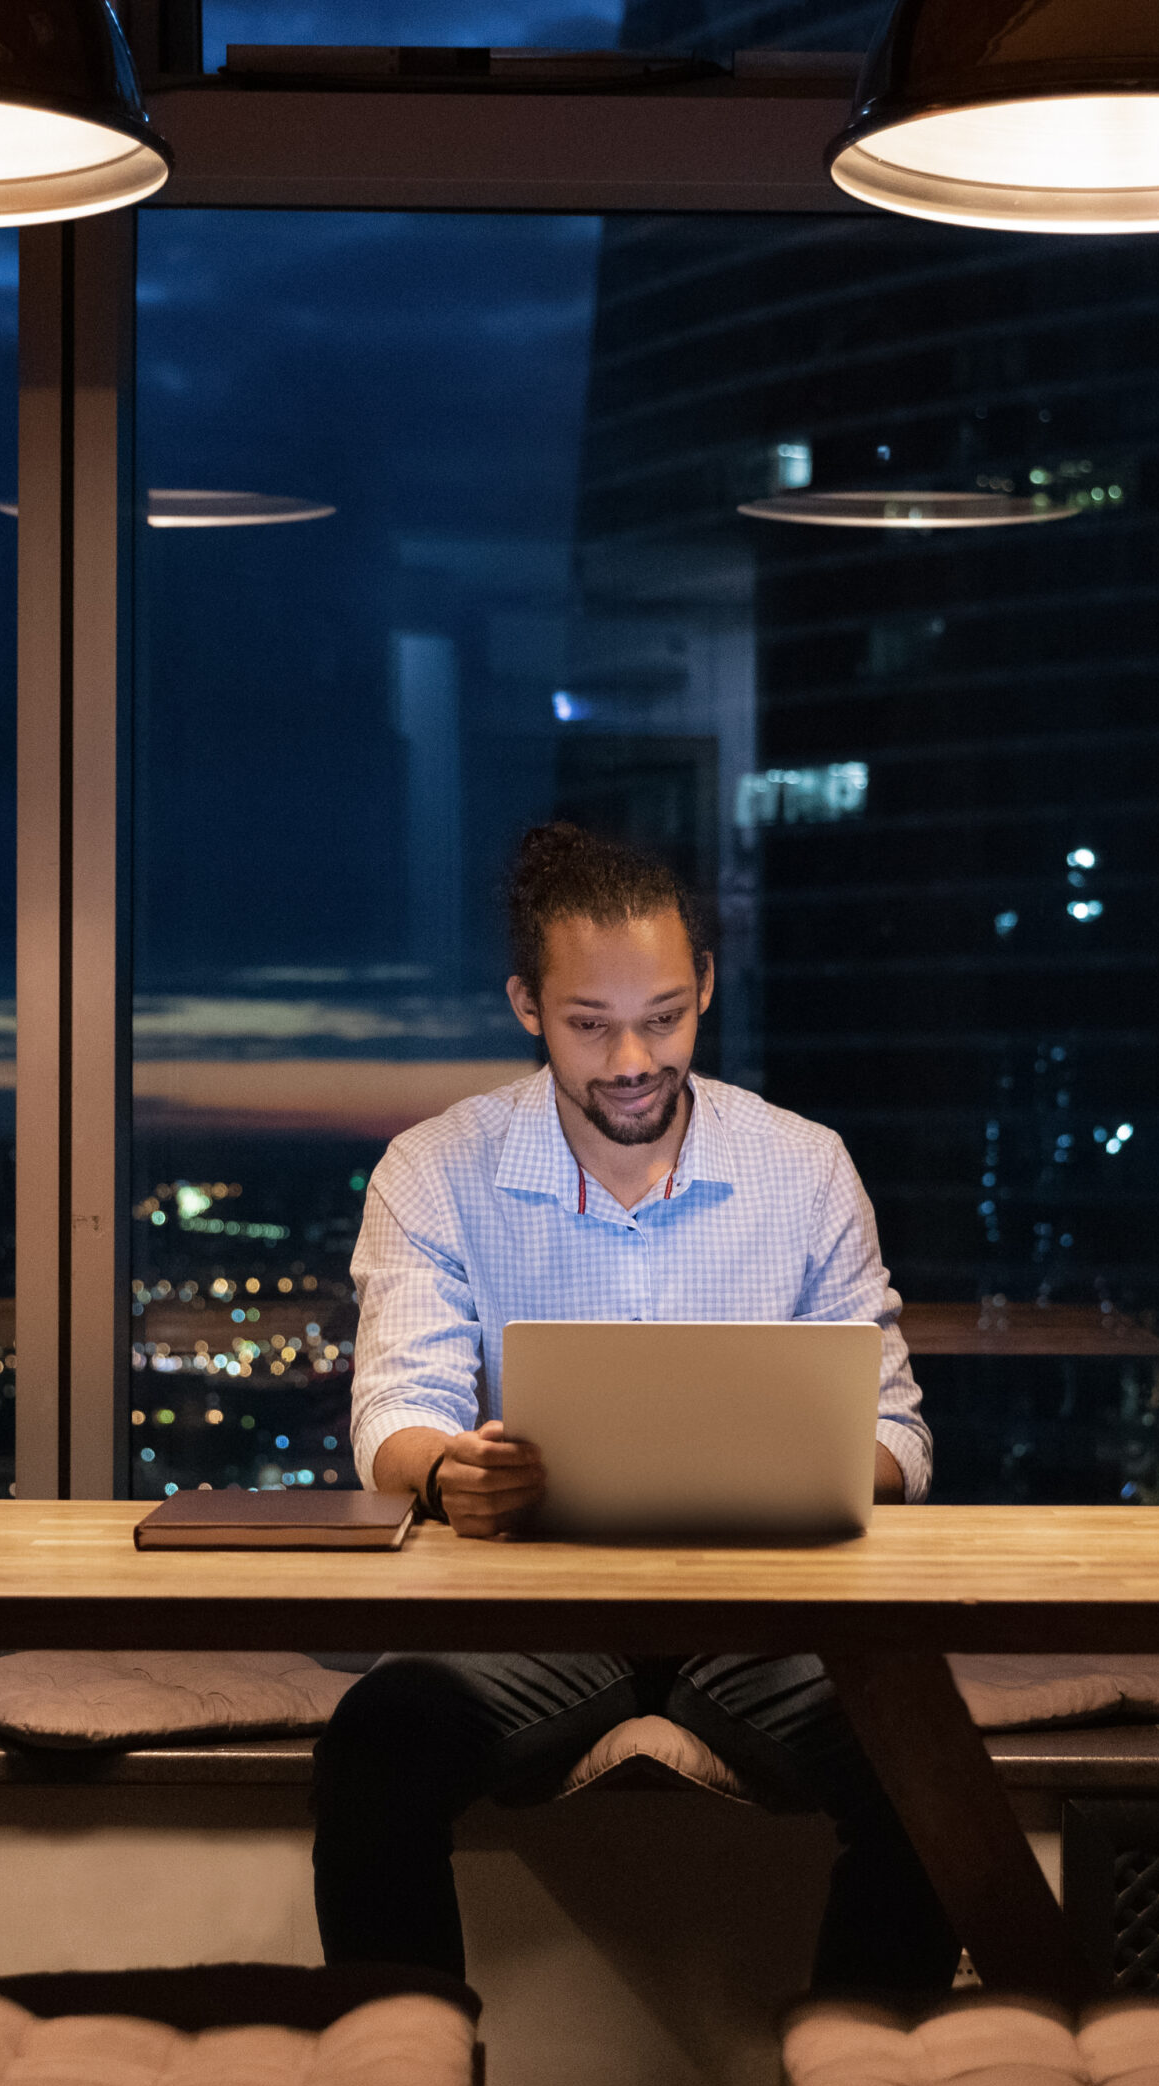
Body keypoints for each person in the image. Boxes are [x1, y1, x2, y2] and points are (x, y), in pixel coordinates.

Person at [308, 821, 956, 1992]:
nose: (630, 1061)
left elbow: (901, 1436)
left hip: (762, 1613)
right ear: (525, 1005)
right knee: (375, 1753)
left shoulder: (804, 1167)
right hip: (534, 1616)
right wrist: (453, 1473)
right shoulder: (434, 1169)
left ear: (705, 986)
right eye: (589, 1024)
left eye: (663, 1016)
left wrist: (810, 1461)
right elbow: (393, 1417)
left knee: (924, 1778)